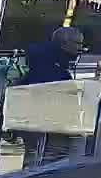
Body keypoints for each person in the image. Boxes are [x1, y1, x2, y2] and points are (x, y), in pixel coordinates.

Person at [15, 27, 85, 168]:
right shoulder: (51, 66)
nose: (81, 48)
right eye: (78, 44)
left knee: (42, 157)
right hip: (46, 124)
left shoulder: (52, 62)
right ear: (65, 44)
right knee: (42, 159)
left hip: (47, 124)